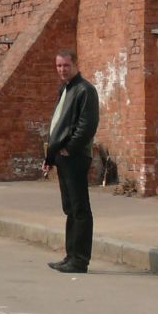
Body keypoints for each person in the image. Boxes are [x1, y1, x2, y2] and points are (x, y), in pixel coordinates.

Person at [42, 47, 100, 273]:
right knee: (69, 208)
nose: (62, 70)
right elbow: (58, 125)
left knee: (80, 208)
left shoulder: (85, 90)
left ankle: (80, 259)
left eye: (66, 65)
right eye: (58, 66)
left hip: (75, 156)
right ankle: (70, 256)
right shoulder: (65, 89)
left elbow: (87, 125)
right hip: (62, 156)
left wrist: (70, 148)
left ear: (75, 64)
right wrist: (50, 156)